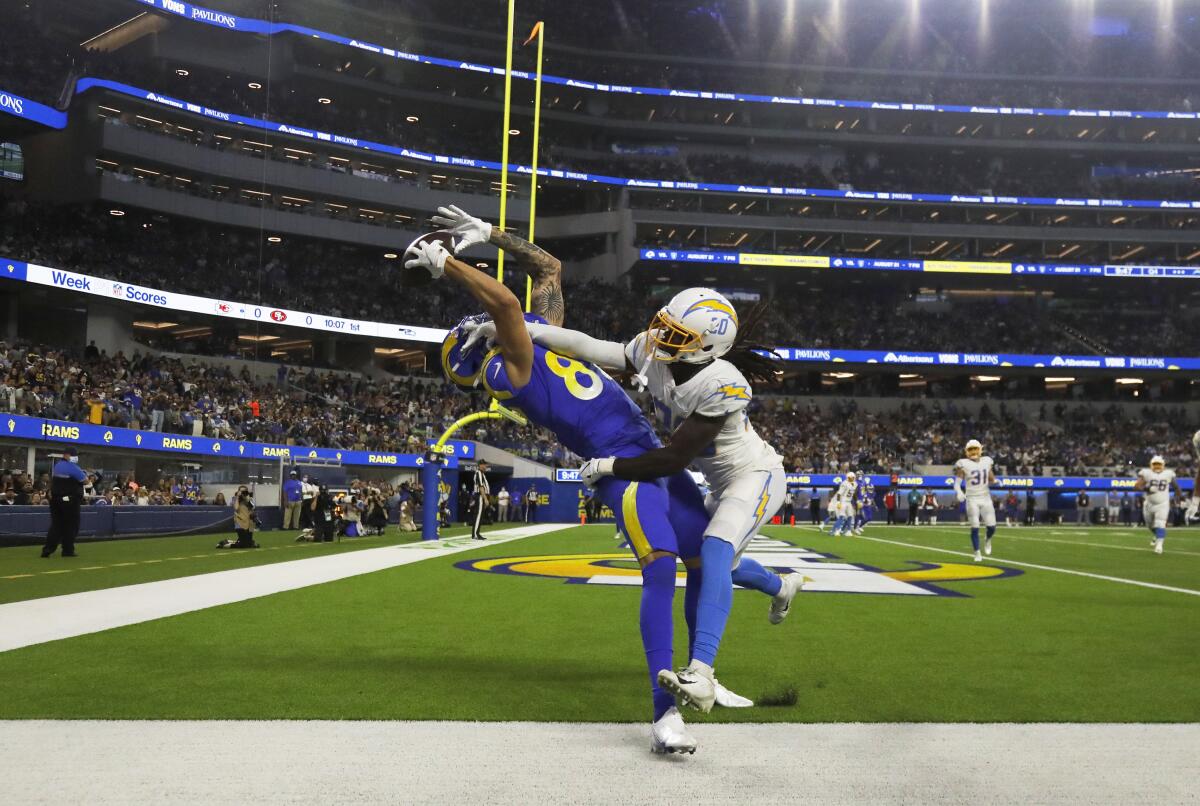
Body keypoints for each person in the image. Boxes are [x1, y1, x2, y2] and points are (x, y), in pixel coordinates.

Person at [410, 212, 791, 754]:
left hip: (655, 460)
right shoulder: (512, 370)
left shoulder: (537, 343)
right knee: (660, 571)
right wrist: (449, 263)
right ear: (482, 355)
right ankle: (665, 718)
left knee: (708, 564)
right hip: (622, 467)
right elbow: (508, 307)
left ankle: (704, 665)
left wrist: (490, 234)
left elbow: (548, 270)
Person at [483, 281, 801, 718]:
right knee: (707, 560)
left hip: (755, 476)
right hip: (715, 479)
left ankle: (702, 673)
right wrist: (525, 330)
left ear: (708, 347)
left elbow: (673, 458)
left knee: (714, 550)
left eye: (679, 335)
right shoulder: (657, 352)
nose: (663, 336)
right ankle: (782, 585)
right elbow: (591, 347)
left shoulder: (722, 383)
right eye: (667, 324)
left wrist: (609, 467)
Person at [954, 439, 998, 562]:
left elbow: (990, 477)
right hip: (972, 499)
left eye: (975, 449)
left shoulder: (987, 461)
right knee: (975, 526)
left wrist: (995, 481)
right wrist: (959, 491)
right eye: (971, 449)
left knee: (992, 527)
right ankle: (977, 552)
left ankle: (988, 539)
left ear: (980, 450)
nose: (973, 452)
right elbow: (957, 483)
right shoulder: (963, 464)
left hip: (985, 497)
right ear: (966, 451)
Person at [41, 447, 86, 558]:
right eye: (73, 455)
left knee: (57, 525)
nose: (75, 457)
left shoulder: (58, 466)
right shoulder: (72, 467)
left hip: (55, 500)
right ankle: (67, 550)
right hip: (69, 501)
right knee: (71, 525)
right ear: (66, 455)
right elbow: (85, 480)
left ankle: (48, 549)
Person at [1135, 455, 1182, 555]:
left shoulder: (1168, 474)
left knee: (1160, 523)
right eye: (1155, 464)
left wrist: (1177, 497)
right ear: (1151, 465)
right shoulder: (1146, 473)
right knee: (1149, 525)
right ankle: (1156, 535)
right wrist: (1147, 489)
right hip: (1149, 503)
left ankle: (1159, 546)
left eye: (1159, 464)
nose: (1157, 467)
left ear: (1163, 465)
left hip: (1163, 503)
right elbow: (1136, 486)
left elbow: (1177, 487)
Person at [470, 461, 491, 540]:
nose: (486, 467)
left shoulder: (481, 474)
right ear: (481, 465)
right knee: (478, 515)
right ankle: (475, 534)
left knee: (480, 515)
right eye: (485, 465)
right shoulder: (478, 473)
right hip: (480, 496)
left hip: (481, 496)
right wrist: (485, 498)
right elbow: (481, 487)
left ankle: (476, 533)